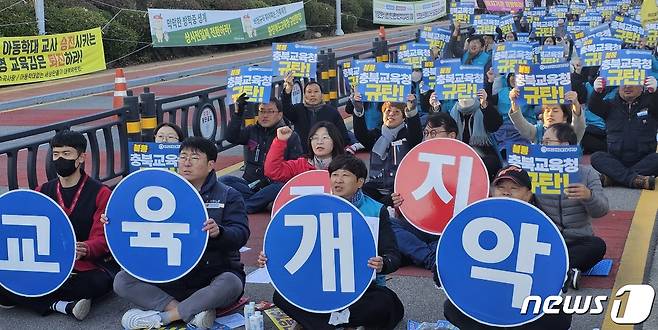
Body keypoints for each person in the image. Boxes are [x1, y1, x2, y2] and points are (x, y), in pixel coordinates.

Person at [111, 137, 250, 330]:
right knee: (122, 280)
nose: (186, 162)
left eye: (194, 157)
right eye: (182, 156)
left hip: (212, 274)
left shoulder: (228, 195)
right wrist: (112, 220)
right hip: (170, 276)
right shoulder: (161, 193)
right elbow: (134, 222)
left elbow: (241, 234)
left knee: (231, 283)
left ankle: (165, 317)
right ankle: (189, 312)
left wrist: (220, 233)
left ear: (210, 165)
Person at [257, 155, 404, 329]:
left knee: (387, 304)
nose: (338, 180)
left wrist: (383, 264)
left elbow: (393, 255)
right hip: (319, 285)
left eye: (345, 175)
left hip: (361, 290)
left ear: (360, 182)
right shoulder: (316, 206)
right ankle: (334, 324)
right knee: (281, 296)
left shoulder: (375, 210)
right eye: (334, 175)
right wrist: (270, 257)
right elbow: (294, 247)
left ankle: (321, 323)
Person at [441, 165, 573, 329]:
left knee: (559, 314)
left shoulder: (543, 225)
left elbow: (551, 267)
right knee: (452, 307)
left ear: (528, 194)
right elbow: (460, 260)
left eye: (514, 188)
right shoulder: (478, 220)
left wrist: (561, 276)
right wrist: (442, 271)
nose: (506, 192)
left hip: (523, 300)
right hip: (487, 298)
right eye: (500, 187)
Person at [0, 130, 114, 320]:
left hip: (84, 265)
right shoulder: (43, 191)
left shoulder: (100, 192)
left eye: (67, 154)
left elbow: (102, 237)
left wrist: (86, 248)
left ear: (81, 158)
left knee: (100, 282)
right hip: (49, 263)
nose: (60, 159)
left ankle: (31, 297)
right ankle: (62, 305)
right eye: (56, 154)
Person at [537, 123, 608, 289]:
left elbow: (602, 210)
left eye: (548, 142)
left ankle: (558, 269)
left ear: (565, 146)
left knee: (597, 246)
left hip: (577, 241)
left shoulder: (586, 173)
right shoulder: (536, 171)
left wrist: (588, 196)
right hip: (546, 240)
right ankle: (567, 270)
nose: (543, 146)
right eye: (542, 142)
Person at [388, 113, 459, 270]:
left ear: (452, 135)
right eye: (426, 133)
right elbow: (408, 197)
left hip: (450, 229)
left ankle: (422, 252)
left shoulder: (468, 161)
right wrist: (398, 202)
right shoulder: (417, 160)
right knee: (388, 223)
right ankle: (430, 257)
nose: (428, 138)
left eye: (434, 133)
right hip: (419, 225)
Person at [219, 93, 303, 213]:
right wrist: (238, 113)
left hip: (272, 184)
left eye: (270, 112)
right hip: (250, 184)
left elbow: (295, 165)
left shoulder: (289, 136)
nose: (265, 115)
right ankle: (259, 203)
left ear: (280, 115)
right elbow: (231, 137)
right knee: (224, 180)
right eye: (262, 111)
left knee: (279, 188)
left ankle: (245, 205)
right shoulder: (252, 130)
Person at [352, 92, 422, 206]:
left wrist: (412, 110)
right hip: (376, 185)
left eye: (396, 112)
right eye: (388, 111)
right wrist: (358, 110)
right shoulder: (376, 134)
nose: (391, 114)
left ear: (403, 117)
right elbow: (360, 134)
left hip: (399, 187)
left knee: (386, 203)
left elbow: (416, 134)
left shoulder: (408, 135)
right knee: (360, 194)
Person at [588, 75, 658, 190]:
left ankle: (613, 178)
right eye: (623, 82)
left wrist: (655, 92)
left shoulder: (651, 104)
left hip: (644, 159)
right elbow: (593, 106)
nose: (627, 86)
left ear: (642, 86)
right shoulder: (610, 105)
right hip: (616, 159)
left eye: (632, 82)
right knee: (596, 157)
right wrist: (597, 92)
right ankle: (636, 180)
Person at [281, 73, 351, 152]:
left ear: (322, 95)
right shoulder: (298, 109)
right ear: (304, 95)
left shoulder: (332, 112)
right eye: (309, 92)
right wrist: (288, 89)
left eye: (316, 91)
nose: (312, 95)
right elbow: (285, 108)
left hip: (328, 154)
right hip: (303, 154)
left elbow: (344, 137)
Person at [264, 121, 345, 183]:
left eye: (325, 137)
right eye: (315, 138)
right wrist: (280, 141)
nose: (319, 142)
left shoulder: (345, 166)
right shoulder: (300, 165)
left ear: (335, 140)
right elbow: (272, 171)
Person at [450, 88, 503, 180]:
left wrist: (485, 105)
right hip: (458, 155)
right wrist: (435, 108)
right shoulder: (453, 112)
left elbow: (494, 126)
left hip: (482, 155)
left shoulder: (483, 108)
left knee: (490, 163)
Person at [509, 88, 586, 145]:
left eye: (555, 111)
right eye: (547, 110)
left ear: (565, 116)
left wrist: (575, 103)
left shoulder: (571, 132)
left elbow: (579, 124)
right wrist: (514, 102)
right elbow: (521, 125)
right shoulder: (537, 132)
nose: (550, 114)